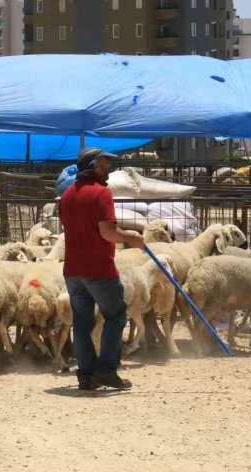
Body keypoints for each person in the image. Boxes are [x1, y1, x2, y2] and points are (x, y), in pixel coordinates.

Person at [58, 148, 144, 391]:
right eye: (105, 164)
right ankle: (106, 370)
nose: (108, 169)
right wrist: (131, 239)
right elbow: (107, 232)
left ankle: (85, 375)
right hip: (98, 267)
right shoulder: (101, 193)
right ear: (95, 165)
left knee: (82, 323)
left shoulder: (67, 196)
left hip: (72, 269)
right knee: (115, 316)